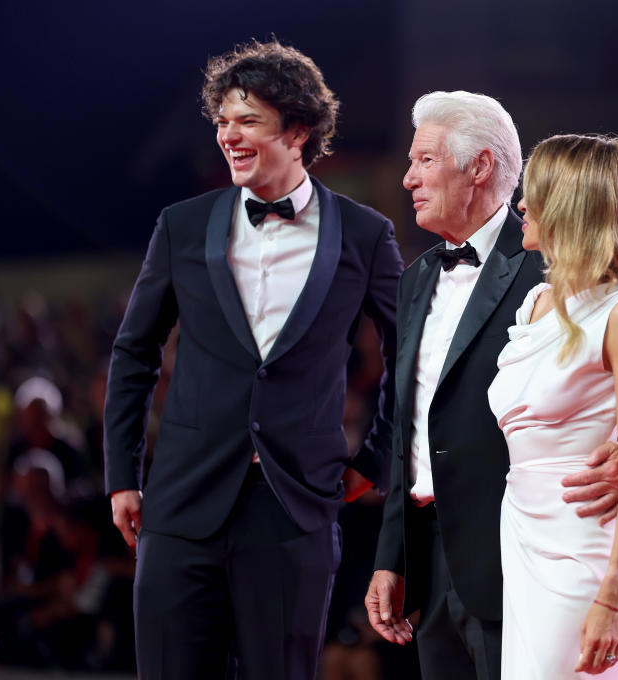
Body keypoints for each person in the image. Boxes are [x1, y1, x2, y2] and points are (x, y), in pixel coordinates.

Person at [104, 40, 402, 680]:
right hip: (182, 501)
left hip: (295, 508)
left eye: (248, 122)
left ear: (298, 131)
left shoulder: (366, 234)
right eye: (222, 122)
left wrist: (374, 460)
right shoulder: (181, 226)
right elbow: (134, 352)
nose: (228, 137)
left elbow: (411, 360)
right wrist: (122, 475)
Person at [365, 93, 618, 680]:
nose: (408, 178)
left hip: (526, 554)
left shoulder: (551, 263)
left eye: (425, 161)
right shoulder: (416, 279)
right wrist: (392, 557)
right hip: (429, 563)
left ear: (478, 167)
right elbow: (409, 424)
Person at [488, 134, 618, 677]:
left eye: (536, 193)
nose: (521, 205)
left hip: (586, 550)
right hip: (523, 538)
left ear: (571, 206)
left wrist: (615, 594)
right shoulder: (533, 304)